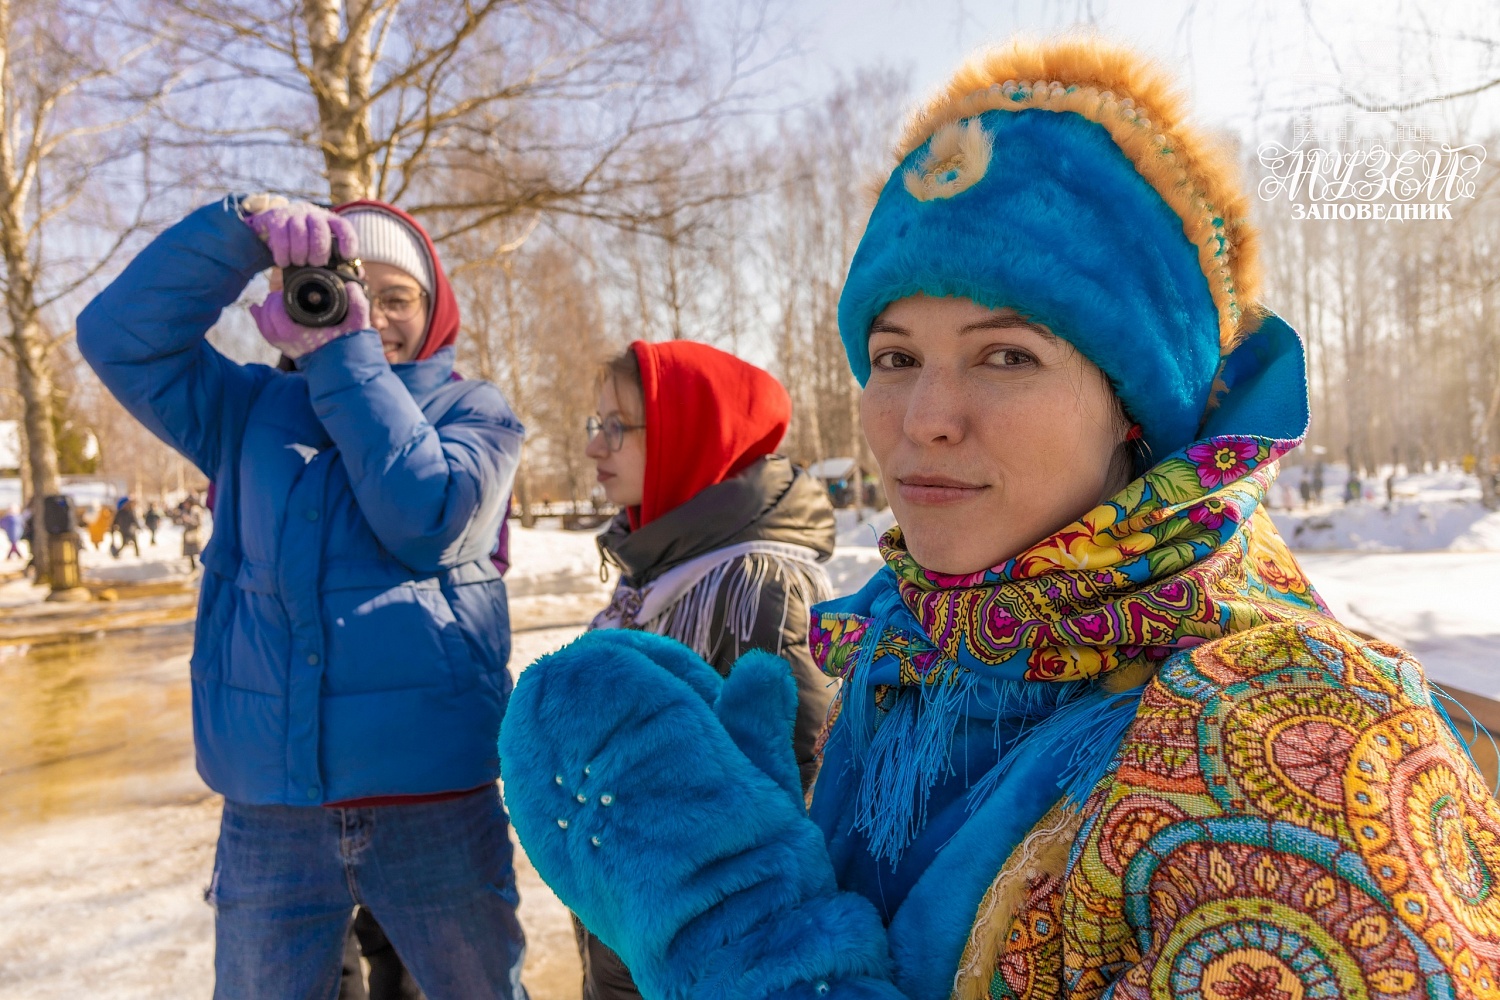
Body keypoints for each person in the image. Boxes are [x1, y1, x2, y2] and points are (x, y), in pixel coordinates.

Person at [498, 36, 1500, 1000]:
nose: (925, 418)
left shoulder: (1289, 749)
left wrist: (737, 936)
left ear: (1133, 409)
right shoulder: (909, 650)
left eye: (1007, 354)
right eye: (894, 357)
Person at [78, 193, 528, 1000]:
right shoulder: (244, 409)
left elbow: (425, 516)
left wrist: (342, 352)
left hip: (433, 796)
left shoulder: (476, 412)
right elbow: (117, 338)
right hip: (270, 805)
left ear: (434, 309)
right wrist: (236, 233)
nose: (376, 316)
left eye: (397, 298)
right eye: (353, 287)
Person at [574, 339, 838, 1000]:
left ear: (690, 439)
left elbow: (789, 804)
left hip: (695, 963)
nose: (593, 448)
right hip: (636, 937)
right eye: (593, 425)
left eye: (617, 427)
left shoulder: (759, 583)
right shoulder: (662, 564)